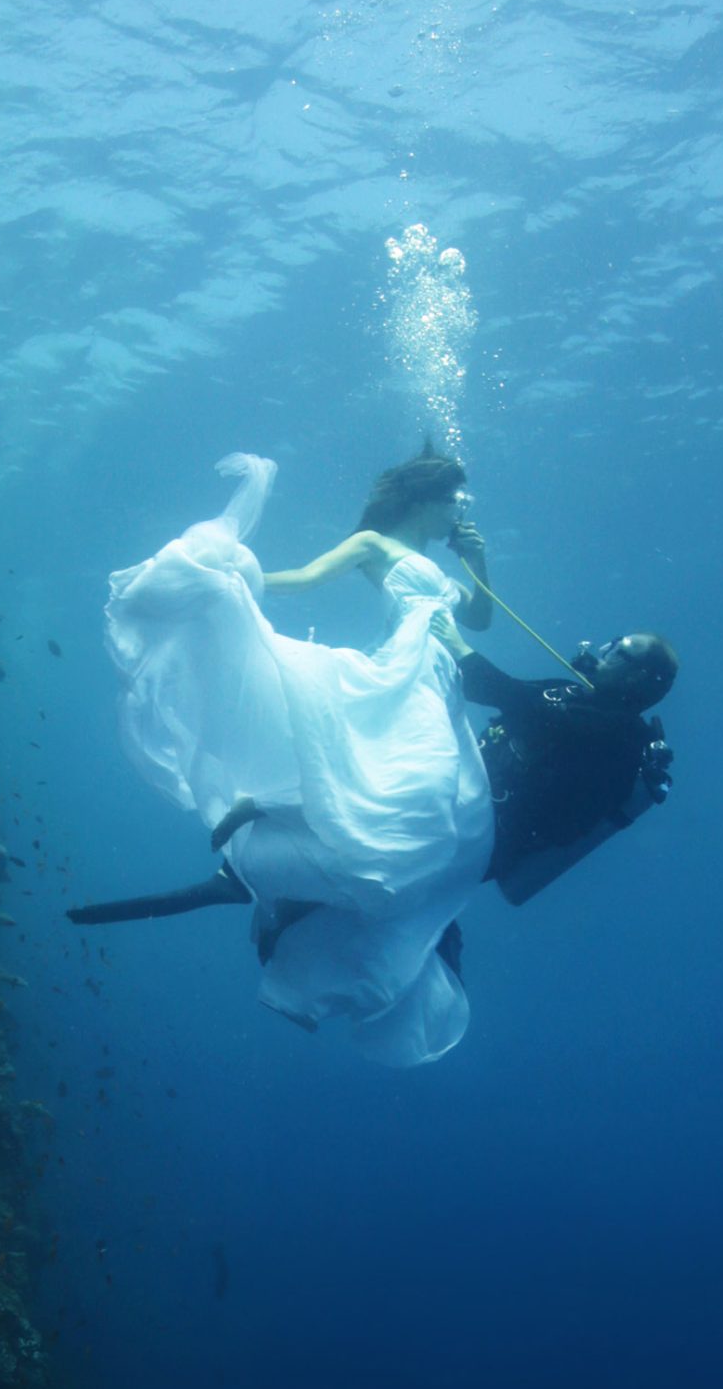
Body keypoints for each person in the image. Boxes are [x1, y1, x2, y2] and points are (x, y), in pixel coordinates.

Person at [80, 447, 494, 1066]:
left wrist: (476, 559)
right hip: (404, 679)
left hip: (443, 688)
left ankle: (291, 869)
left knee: (425, 812)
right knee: (398, 786)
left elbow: (481, 617)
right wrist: (240, 588)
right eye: (454, 499)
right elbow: (305, 576)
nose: (459, 511)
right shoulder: (375, 544)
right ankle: (271, 810)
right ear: (425, 498)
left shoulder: (442, 567)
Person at [438, 616, 677, 901]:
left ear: (634, 676)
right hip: (455, 806)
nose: (603, 649)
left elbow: (511, 697)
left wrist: (457, 645)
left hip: (474, 835)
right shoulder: (571, 693)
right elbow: (487, 689)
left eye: (618, 649)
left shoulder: (618, 737)